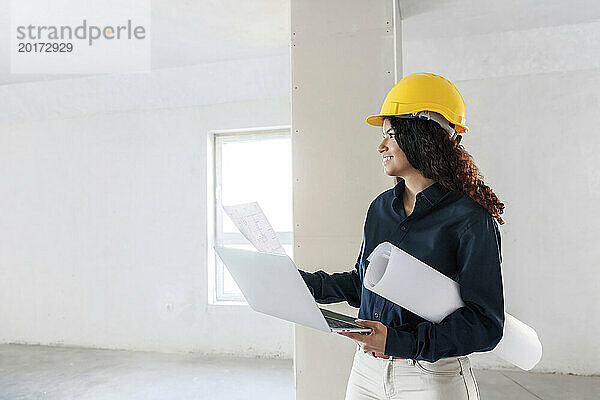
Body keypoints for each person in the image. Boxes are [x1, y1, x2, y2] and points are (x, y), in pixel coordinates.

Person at [297, 72, 505, 400]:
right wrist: (299, 284)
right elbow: (364, 283)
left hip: (431, 378)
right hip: (367, 371)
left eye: (391, 134)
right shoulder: (381, 209)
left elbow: (485, 325)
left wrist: (398, 342)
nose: (381, 145)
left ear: (423, 137)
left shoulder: (470, 219)